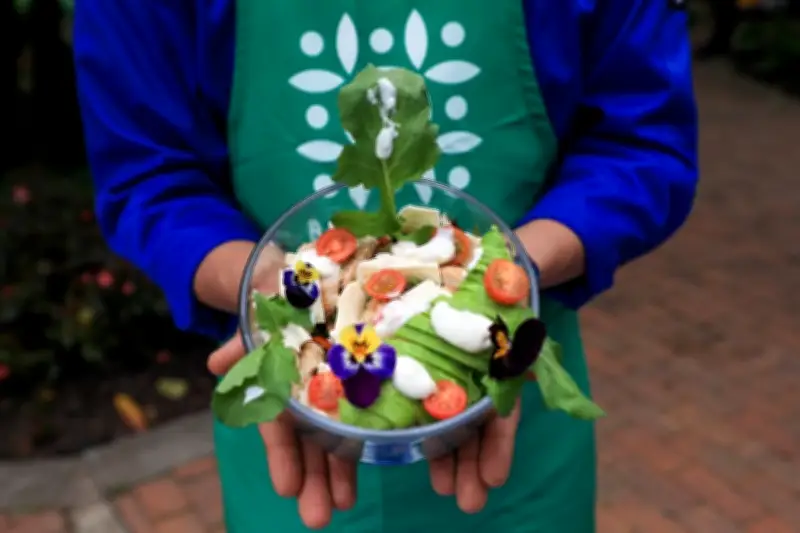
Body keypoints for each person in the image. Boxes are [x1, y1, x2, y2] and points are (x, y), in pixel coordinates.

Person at [73, 0, 698, 531]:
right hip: (293, 405)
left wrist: (507, 272)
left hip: (513, 394)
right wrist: (257, 279)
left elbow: (640, 140)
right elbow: (147, 170)